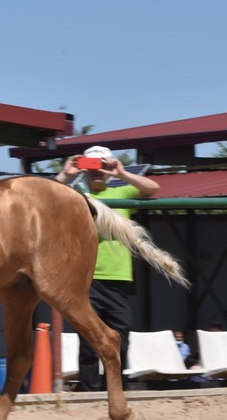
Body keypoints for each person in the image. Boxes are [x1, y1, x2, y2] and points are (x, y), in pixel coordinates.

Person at [55, 145, 160, 391]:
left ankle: (115, 387)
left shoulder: (122, 193)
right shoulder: (75, 196)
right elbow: (46, 196)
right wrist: (66, 174)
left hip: (118, 279)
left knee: (121, 338)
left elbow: (153, 189)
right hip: (87, 280)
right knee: (89, 338)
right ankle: (89, 390)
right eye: (90, 168)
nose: (96, 172)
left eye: (100, 166)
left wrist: (121, 173)